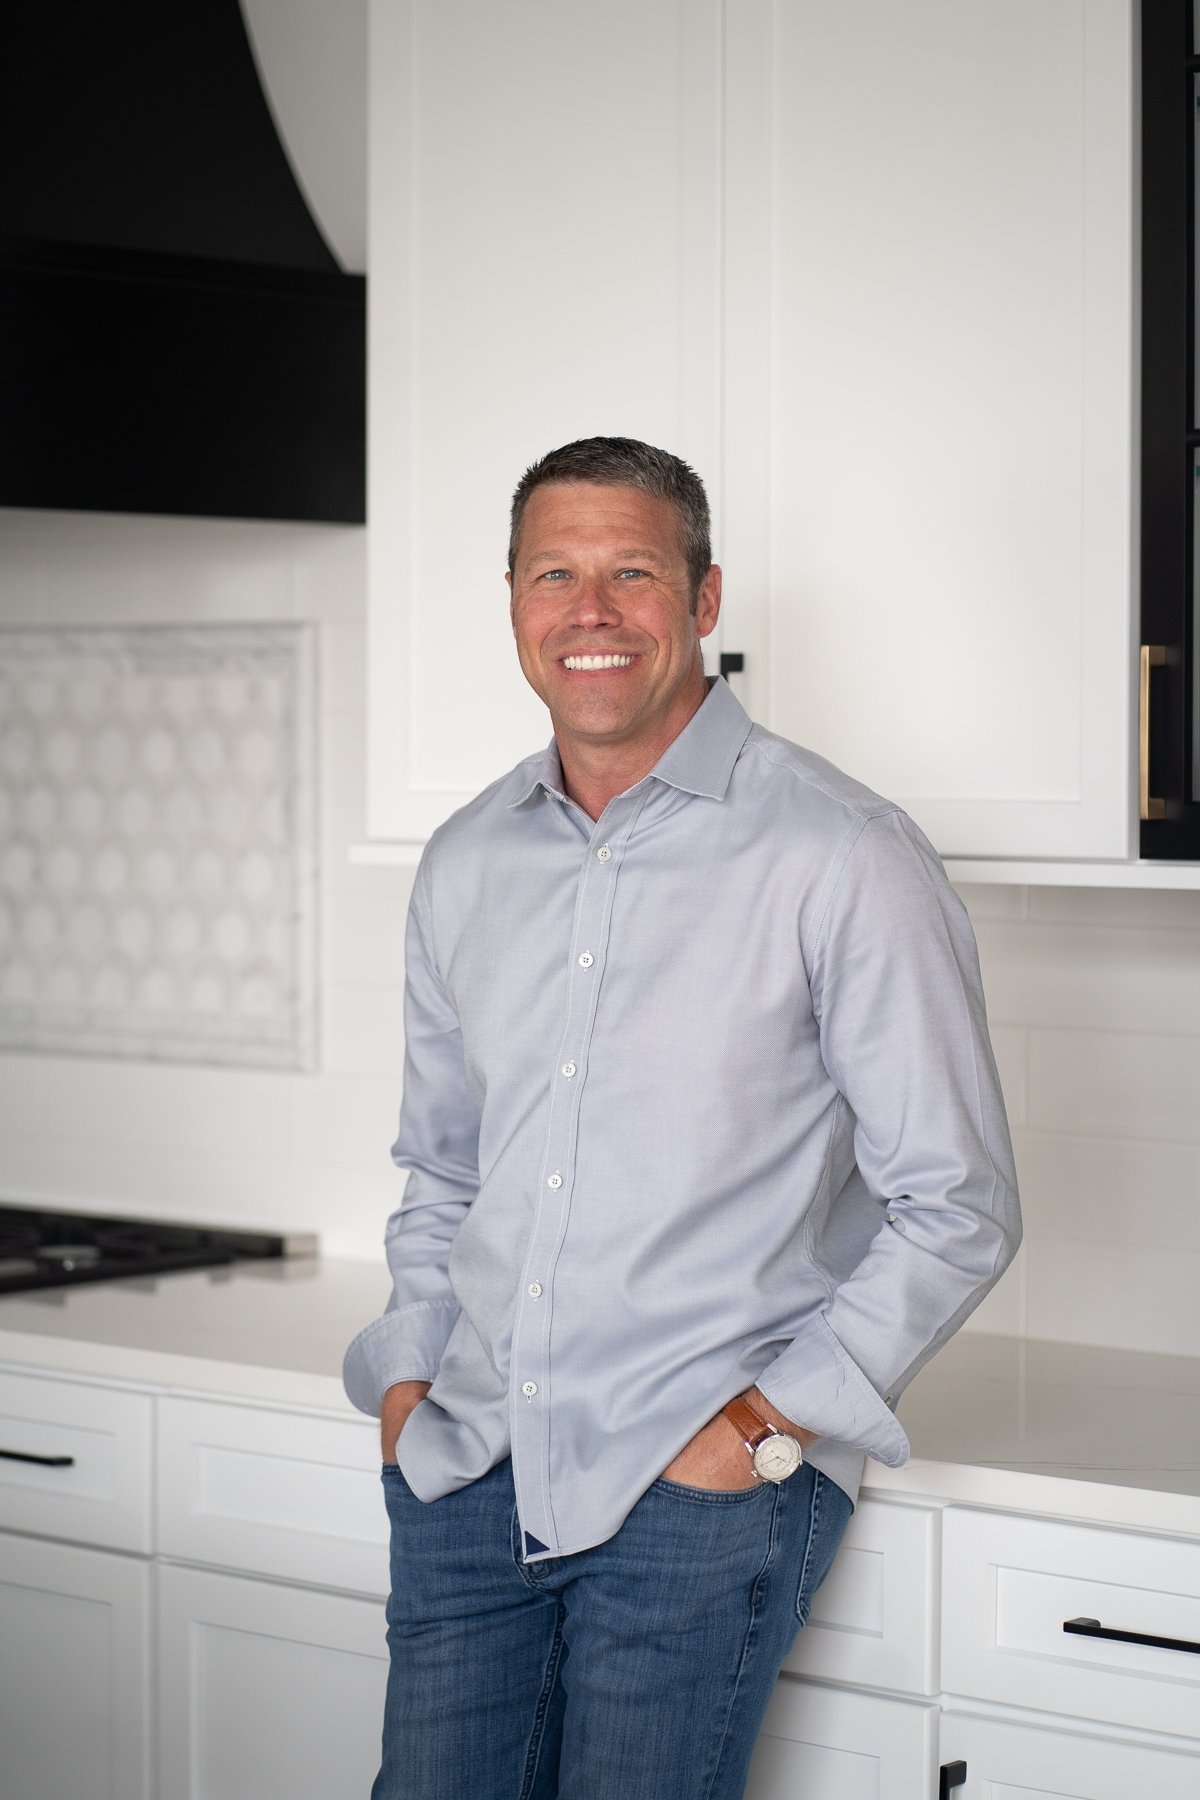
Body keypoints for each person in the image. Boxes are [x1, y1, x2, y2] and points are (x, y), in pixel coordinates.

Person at [344, 436, 1021, 1800]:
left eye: (632, 572)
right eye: (555, 574)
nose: (588, 611)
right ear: (517, 604)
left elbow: (958, 1203)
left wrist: (764, 1434)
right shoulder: (469, 858)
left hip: (698, 1491)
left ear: (705, 602)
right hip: (467, 1466)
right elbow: (441, 1166)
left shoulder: (843, 854)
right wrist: (411, 1380)